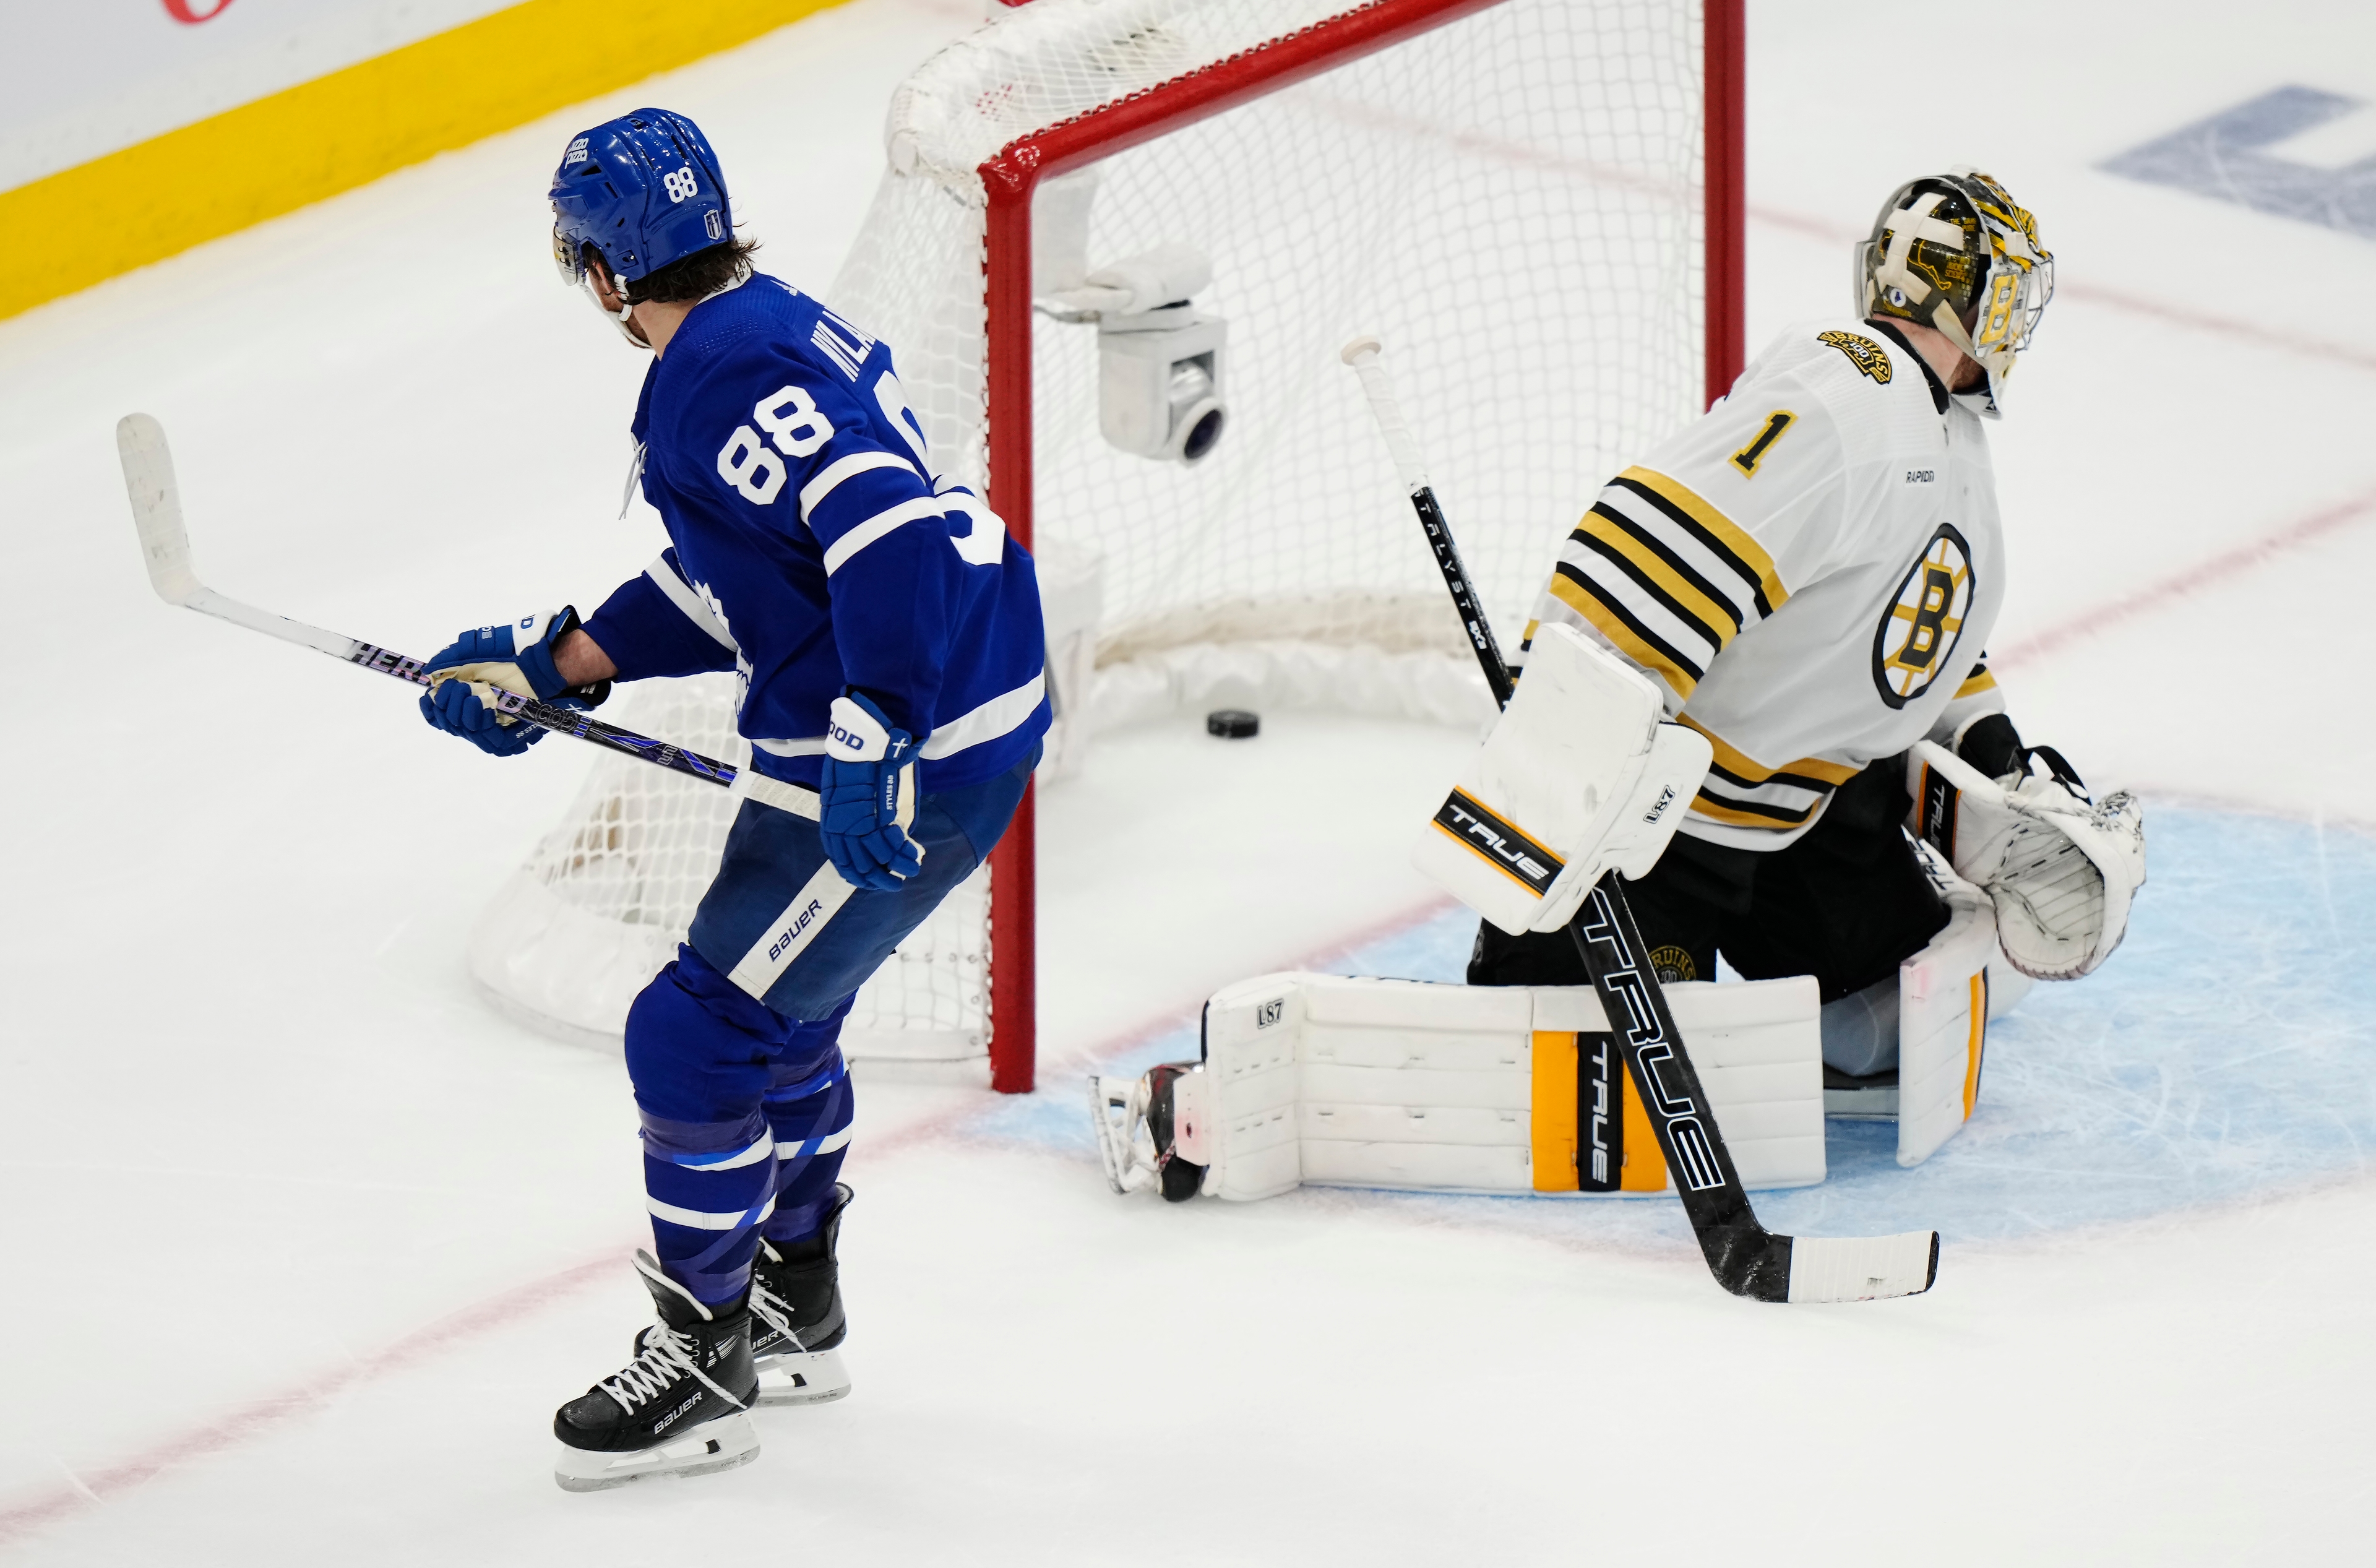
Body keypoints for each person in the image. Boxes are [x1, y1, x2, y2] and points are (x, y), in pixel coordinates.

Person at [414, 108, 1049, 1491]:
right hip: (952, 698)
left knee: (693, 1038)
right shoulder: (759, 326)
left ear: (596, 269)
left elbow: (877, 517)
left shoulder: (717, 373)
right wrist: (562, 665)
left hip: (913, 737)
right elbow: (745, 577)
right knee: (781, 1011)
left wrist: (879, 722)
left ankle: (706, 1364)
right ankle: (794, 1304)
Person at [1468, 167, 2138, 1068]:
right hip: (1659, 829)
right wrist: (1565, 764)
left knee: (1907, 1021)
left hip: (1807, 817)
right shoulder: (1846, 389)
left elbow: (1907, 636)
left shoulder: (1953, 441)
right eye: (2007, 291)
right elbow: (1645, 545)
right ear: (1963, 296)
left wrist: (1994, 762)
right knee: (1583, 1077)